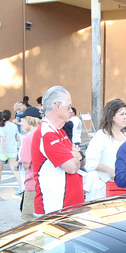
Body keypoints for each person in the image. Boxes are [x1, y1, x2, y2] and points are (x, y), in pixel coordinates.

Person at [29, 85, 84, 215]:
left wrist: (75, 156)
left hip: (67, 207)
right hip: (54, 210)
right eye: (69, 106)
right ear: (58, 106)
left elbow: (80, 160)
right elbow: (71, 166)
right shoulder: (47, 133)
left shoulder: (59, 131)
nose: (71, 111)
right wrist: (74, 156)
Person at [83, 99, 126, 201]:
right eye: (121, 114)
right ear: (112, 116)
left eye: (125, 114)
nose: (125, 117)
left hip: (125, 188)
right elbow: (89, 162)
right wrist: (109, 170)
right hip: (104, 188)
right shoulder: (101, 136)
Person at [18, 110, 42, 220]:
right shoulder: (44, 134)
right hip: (44, 183)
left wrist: (20, 160)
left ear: (30, 119)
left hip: (32, 183)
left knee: (29, 218)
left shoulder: (28, 138)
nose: (20, 123)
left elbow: (26, 163)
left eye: (22, 120)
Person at [0, 109, 19, 190]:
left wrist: (5, 150)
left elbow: (3, 139)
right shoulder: (14, 126)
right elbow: (17, 138)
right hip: (13, 150)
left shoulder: (1, 127)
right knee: (14, 169)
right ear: (10, 117)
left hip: (3, 151)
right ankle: (21, 186)